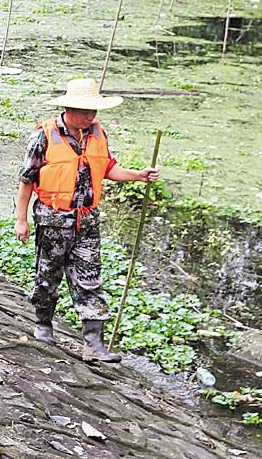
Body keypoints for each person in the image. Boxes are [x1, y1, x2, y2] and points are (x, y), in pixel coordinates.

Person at [13, 78, 161, 363]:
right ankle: (43, 327)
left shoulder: (97, 133)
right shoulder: (44, 136)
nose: (90, 116)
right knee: (47, 277)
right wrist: (21, 220)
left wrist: (139, 175)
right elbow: (26, 182)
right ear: (68, 108)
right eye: (84, 111)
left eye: (93, 111)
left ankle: (94, 345)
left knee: (90, 280)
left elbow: (108, 168)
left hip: (87, 222)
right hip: (53, 220)